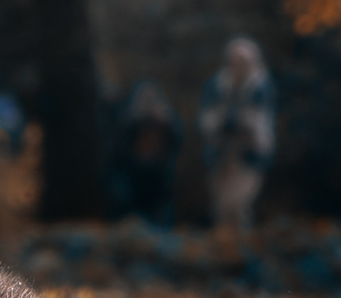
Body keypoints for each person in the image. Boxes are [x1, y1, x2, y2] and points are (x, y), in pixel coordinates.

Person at [197, 37, 275, 232]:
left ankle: (242, 251)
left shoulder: (261, 86)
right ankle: (223, 250)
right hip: (221, 152)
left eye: (243, 62)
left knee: (238, 205)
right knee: (221, 206)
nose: (238, 66)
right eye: (235, 61)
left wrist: (238, 120)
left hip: (248, 153)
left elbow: (259, 122)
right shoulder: (217, 84)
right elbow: (207, 119)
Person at [111, 80, 181, 226]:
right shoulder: (131, 119)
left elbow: (175, 143)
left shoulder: (166, 119)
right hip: (135, 173)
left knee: (160, 210)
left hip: (158, 173)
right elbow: (122, 146)